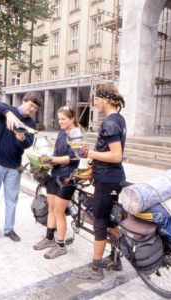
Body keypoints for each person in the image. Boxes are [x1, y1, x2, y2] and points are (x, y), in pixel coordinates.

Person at [74, 83, 126, 280]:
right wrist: (94, 158)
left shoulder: (110, 122)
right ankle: (115, 258)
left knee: (101, 222)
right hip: (113, 178)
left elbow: (115, 156)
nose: (94, 101)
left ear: (105, 99)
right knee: (111, 220)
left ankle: (96, 269)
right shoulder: (118, 119)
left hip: (107, 180)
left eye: (96, 98)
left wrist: (88, 152)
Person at [0, 92, 43, 245]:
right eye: (31, 105)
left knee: (11, 200)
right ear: (24, 101)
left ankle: (9, 229)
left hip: (14, 166)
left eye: (35, 108)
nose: (32, 110)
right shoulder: (7, 111)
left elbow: (29, 143)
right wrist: (8, 113)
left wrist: (22, 139)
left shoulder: (31, 123)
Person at [33, 106, 80, 259]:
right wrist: (46, 163)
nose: (60, 122)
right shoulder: (61, 132)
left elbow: (73, 158)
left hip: (67, 177)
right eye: (59, 119)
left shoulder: (77, 134)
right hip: (55, 175)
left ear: (72, 118)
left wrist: (52, 160)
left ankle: (61, 246)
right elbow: (56, 153)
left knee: (59, 212)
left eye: (63, 119)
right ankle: (49, 238)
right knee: (52, 208)